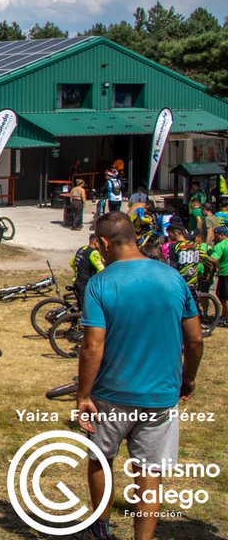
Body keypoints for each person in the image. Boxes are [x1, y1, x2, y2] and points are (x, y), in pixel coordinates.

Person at [77, 211, 203, 540]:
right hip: (160, 395)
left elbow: (92, 347)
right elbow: (195, 339)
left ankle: (100, 529)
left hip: (110, 395)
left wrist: (83, 395)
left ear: (104, 243)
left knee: (100, 459)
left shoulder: (100, 283)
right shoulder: (173, 278)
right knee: (149, 473)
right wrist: (187, 379)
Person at [69, 234, 104, 310]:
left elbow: (71, 262)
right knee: (86, 309)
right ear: (96, 243)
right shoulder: (94, 253)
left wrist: (79, 271)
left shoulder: (82, 249)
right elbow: (102, 269)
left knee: (81, 304)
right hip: (85, 283)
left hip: (77, 280)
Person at [205, 225, 228, 326]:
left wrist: (204, 255)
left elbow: (214, 258)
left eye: (216, 235)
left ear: (222, 235)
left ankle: (227, 319)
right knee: (220, 294)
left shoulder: (220, 245)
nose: (215, 237)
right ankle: (224, 315)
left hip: (225, 274)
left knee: (224, 297)